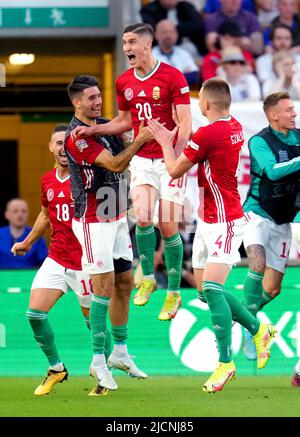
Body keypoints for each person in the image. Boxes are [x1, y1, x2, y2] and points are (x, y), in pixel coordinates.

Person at [147, 78, 276, 393]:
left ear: (204, 105)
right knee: (206, 293)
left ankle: (225, 363)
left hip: (226, 222)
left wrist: (165, 141)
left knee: (212, 288)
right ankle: (260, 330)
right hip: (208, 220)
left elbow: (175, 169)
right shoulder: (232, 126)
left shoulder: (209, 133)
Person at [71, 23, 192, 322]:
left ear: (147, 45)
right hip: (142, 159)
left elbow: (186, 124)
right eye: (124, 42)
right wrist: (94, 128)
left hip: (170, 159)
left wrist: (174, 151)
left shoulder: (173, 76)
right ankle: (148, 277)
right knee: (143, 215)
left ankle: (173, 292)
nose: (126, 48)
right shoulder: (123, 81)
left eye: (132, 42)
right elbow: (125, 121)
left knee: (168, 226)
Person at [11, 124, 111, 396]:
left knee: (95, 323)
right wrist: (27, 242)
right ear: (51, 147)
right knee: (34, 314)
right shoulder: (47, 180)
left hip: (86, 263)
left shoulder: (88, 178)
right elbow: (45, 214)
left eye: (66, 143)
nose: (62, 148)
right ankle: (57, 367)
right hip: (57, 258)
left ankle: (104, 374)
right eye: (57, 143)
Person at [65, 74, 150, 392]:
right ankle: (97, 361)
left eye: (99, 95)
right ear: (76, 102)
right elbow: (115, 165)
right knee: (101, 289)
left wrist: (142, 141)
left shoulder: (105, 128)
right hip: (91, 219)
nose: (97, 101)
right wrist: (140, 140)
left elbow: (128, 156)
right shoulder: (78, 136)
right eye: (91, 97)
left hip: (114, 216)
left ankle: (120, 352)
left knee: (125, 283)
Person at [242, 92, 300, 361]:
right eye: (288, 110)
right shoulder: (259, 141)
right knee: (256, 263)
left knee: (273, 289)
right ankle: (251, 328)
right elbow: (273, 171)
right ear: (273, 115)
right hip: (257, 213)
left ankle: (244, 317)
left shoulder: (298, 137)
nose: (294, 113)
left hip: (284, 219)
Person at [0, 198, 47, 269]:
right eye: (15, 211)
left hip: (30, 277)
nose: (20, 215)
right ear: (6, 214)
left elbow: (44, 262)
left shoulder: (37, 234)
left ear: (28, 214)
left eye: (24, 211)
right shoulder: (1, 234)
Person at [152, 19, 199, 86]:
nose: (168, 35)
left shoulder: (184, 54)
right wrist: (182, 75)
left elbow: (194, 77)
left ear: (176, 34)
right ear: (156, 35)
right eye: (164, 32)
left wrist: (166, 78)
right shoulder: (149, 56)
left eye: (171, 32)